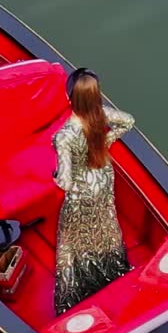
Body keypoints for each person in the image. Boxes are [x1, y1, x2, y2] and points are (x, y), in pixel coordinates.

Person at [52, 68, 135, 315]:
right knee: (105, 225)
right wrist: (108, 141)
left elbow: (64, 182)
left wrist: (55, 176)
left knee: (69, 244)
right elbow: (128, 121)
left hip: (81, 190)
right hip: (103, 178)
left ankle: (72, 297)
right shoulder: (102, 115)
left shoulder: (64, 136)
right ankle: (112, 272)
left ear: (70, 99)